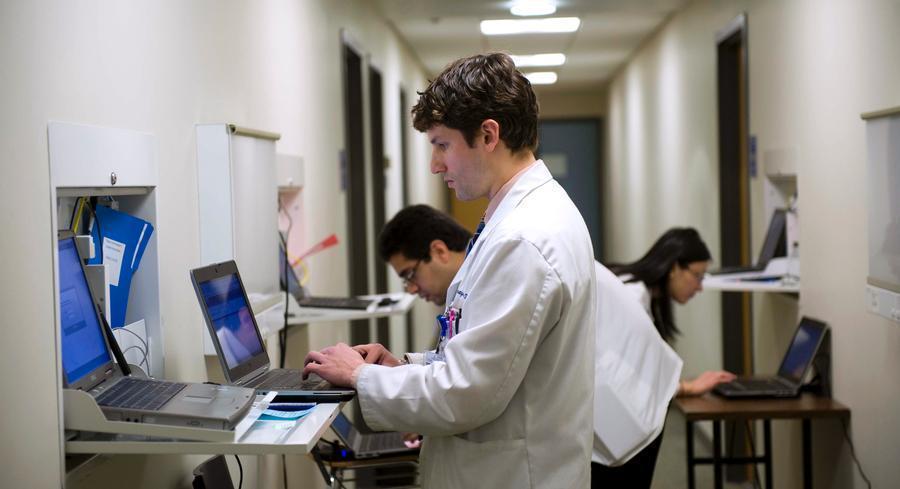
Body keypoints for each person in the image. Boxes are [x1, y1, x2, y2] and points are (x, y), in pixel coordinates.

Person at [303, 52, 597, 489]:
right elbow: (483, 354)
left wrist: (361, 377)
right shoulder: (515, 219)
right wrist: (400, 368)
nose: (435, 165)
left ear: (488, 134)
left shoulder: (524, 238)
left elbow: (467, 394)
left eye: (442, 144)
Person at [592, 227, 737, 488]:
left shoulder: (639, 290)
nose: (700, 287)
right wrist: (685, 387)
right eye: (697, 276)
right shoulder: (633, 295)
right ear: (674, 268)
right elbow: (627, 377)